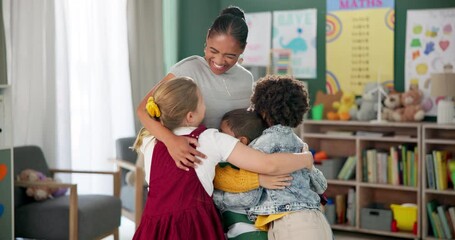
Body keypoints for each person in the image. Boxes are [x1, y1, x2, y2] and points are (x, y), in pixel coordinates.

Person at [131, 77, 315, 240]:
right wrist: (306, 158)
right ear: (190, 116)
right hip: (194, 227)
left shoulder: (149, 139)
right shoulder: (211, 139)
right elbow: (269, 164)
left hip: (153, 227)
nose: (206, 105)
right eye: (202, 101)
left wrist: (169, 81)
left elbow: (144, 111)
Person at [137, 6, 254, 171]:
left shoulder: (246, 79)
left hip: (231, 167)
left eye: (230, 56)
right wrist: (171, 141)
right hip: (194, 166)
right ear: (207, 37)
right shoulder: (187, 69)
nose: (219, 61)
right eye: (214, 51)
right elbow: (143, 110)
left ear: (242, 49)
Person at [215, 75, 332, 240]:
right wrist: (308, 163)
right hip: (315, 218)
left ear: (261, 109)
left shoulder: (259, 148)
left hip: (291, 223)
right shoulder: (299, 145)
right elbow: (321, 186)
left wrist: (218, 198)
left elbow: (249, 198)